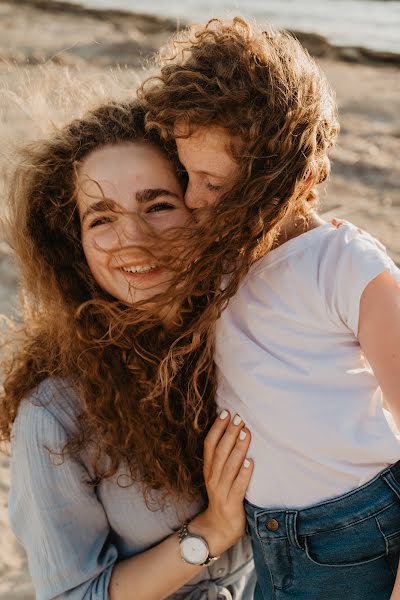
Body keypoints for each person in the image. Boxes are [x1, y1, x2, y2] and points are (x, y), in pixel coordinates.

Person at [141, 17, 400, 599]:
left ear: (275, 178)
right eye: (185, 173)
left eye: (211, 180)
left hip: (358, 530)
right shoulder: (224, 258)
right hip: (269, 535)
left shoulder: (342, 262)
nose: (190, 197)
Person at [0, 100, 256, 599]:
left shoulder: (251, 342)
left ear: (203, 211)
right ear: (74, 244)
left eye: (158, 205)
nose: (134, 238)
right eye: (101, 218)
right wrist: (211, 531)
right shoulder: (53, 418)